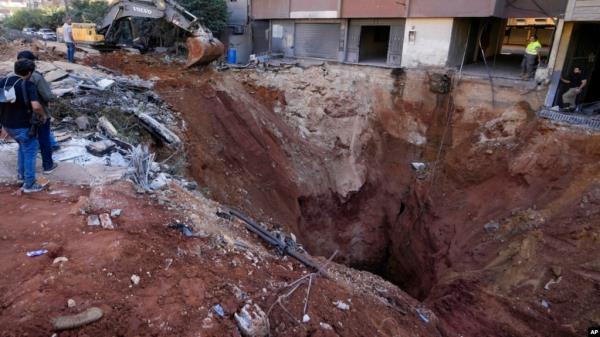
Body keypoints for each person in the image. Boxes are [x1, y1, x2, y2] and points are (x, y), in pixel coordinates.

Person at [0, 59, 48, 193]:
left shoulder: (4, 82)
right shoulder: (28, 85)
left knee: (22, 148)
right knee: (30, 152)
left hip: (8, 124)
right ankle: (29, 184)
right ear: (28, 73)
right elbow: (36, 106)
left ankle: (21, 177)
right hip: (23, 126)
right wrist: (43, 116)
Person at [16, 50, 58, 174]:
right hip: (39, 113)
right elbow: (48, 96)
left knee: (24, 143)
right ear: (31, 63)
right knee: (44, 138)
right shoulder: (36, 76)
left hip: (21, 115)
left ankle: (22, 172)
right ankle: (48, 165)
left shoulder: (12, 77)